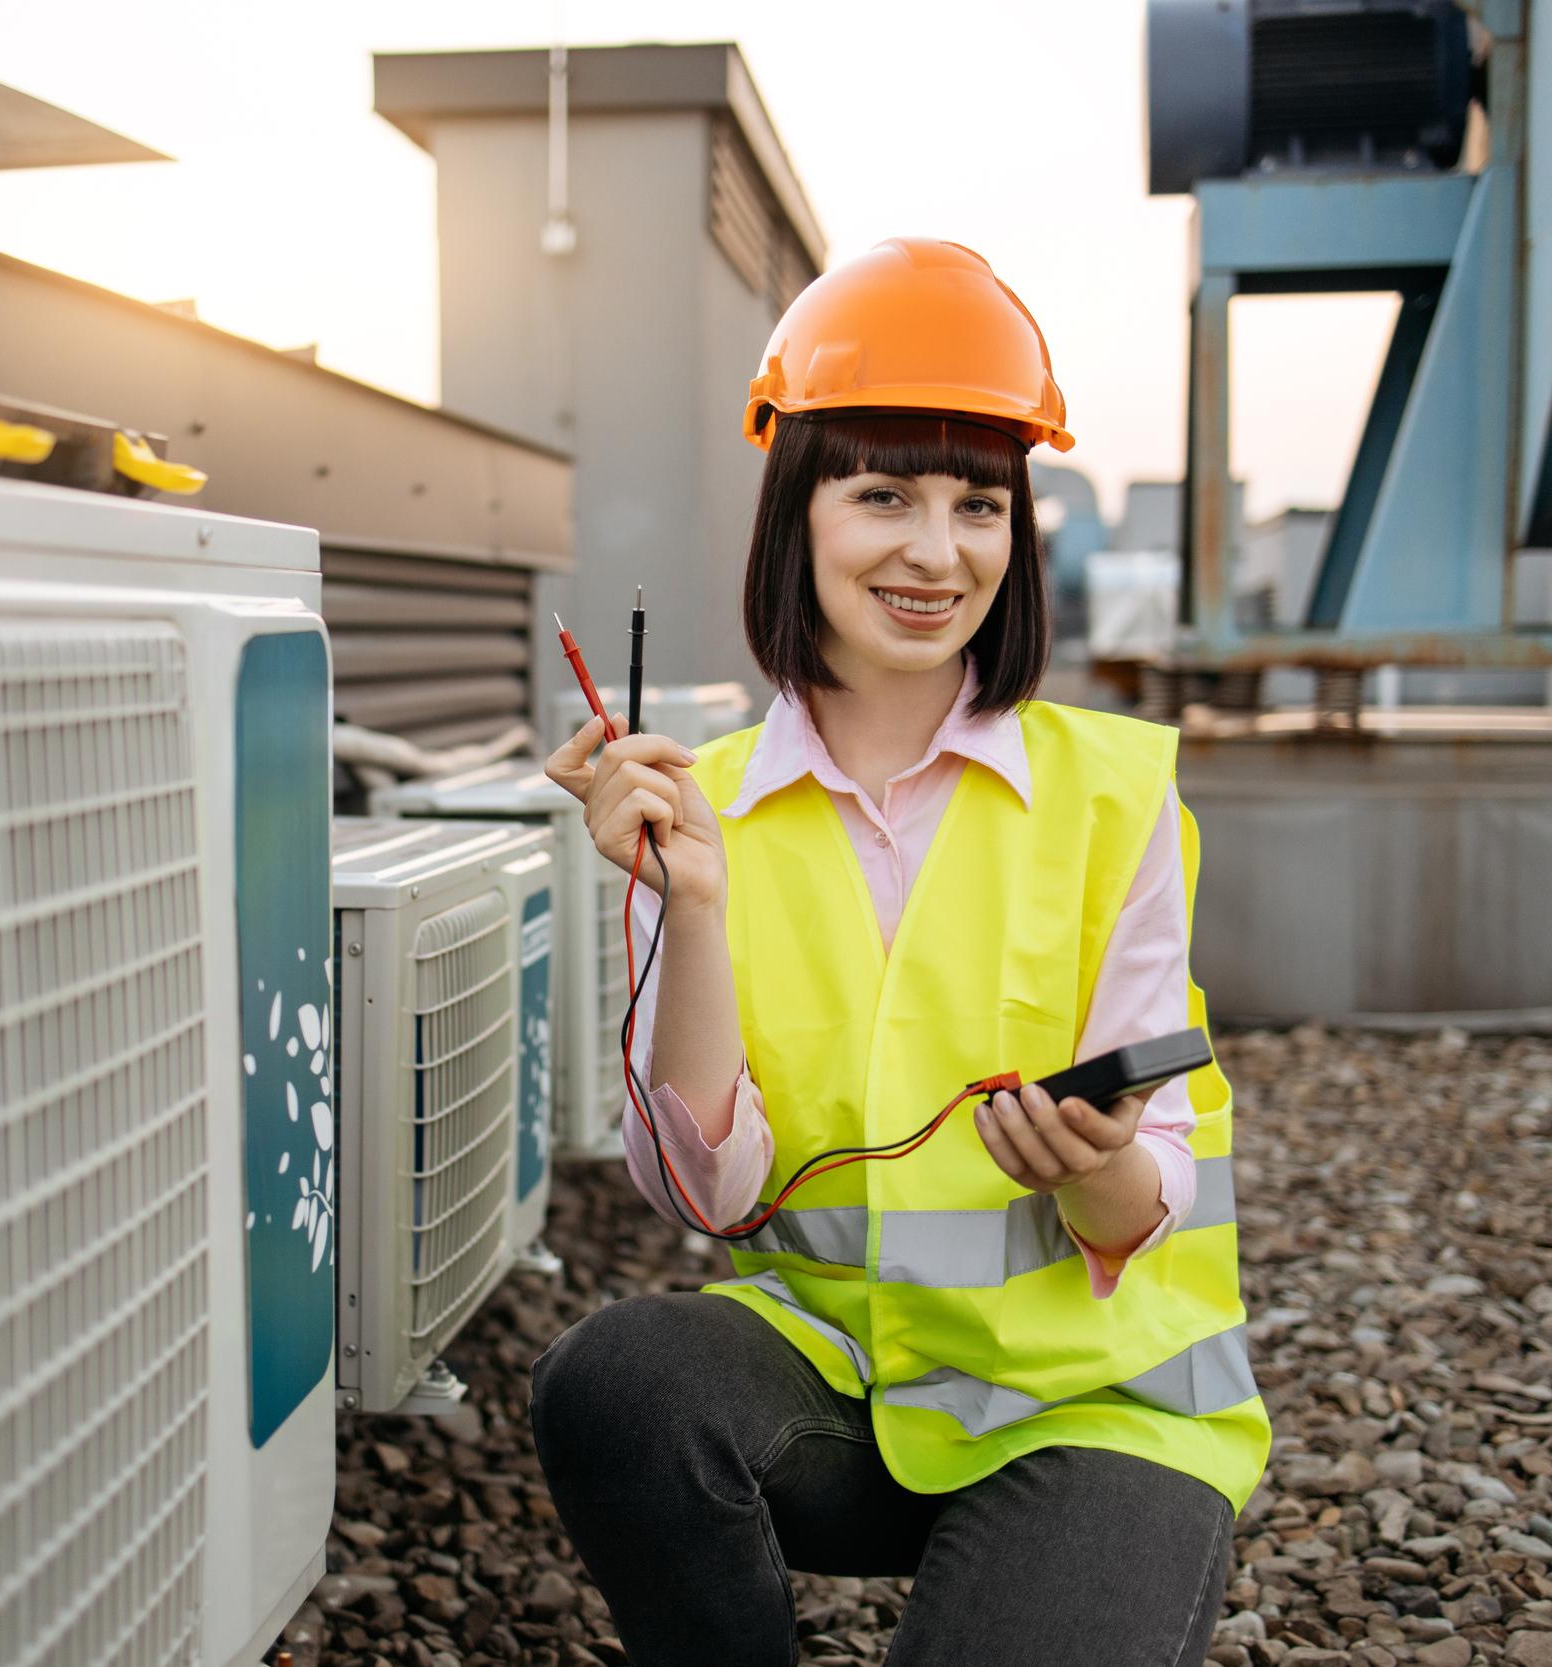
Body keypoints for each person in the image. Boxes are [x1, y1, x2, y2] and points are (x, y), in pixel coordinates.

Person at [534, 238, 1270, 1667]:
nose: (939, 552)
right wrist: (691, 906)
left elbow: (1150, 1204)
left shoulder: (1113, 800)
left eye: (979, 505)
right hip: (847, 1395)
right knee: (618, 1380)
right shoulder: (706, 810)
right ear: (796, 514)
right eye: (884, 495)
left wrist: (1095, 1164)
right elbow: (708, 1193)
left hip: (1095, 1410)